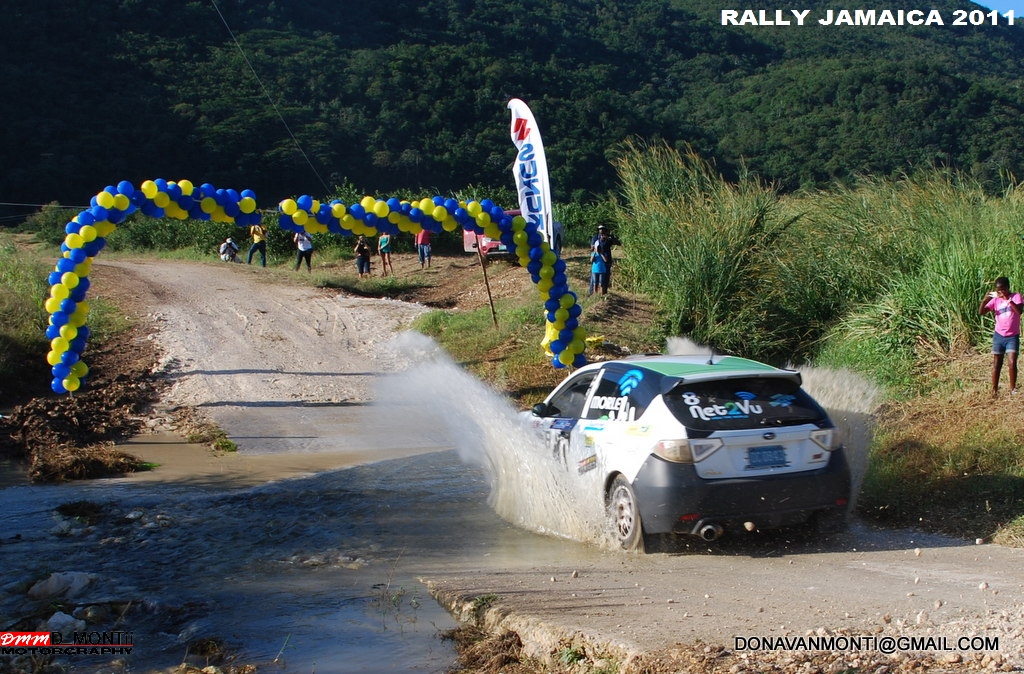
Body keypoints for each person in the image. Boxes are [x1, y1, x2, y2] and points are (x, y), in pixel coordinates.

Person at [979, 276, 1023, 396]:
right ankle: (994, 390)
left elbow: (1019, 311)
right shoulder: (996, 300)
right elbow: (981, 312)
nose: (1001, 292)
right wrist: (985, 301)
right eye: (998, 290)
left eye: (1003, 289)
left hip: (1012, 336)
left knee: (1012, 362)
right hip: (999, 336)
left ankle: (1012, 388)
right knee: (997, 364)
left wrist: (1008, 299)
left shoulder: (1016, 296)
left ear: (1008, 288)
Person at [591, 225, 620, 291]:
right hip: (597, 260)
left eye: (603, 229)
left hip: (607, 260)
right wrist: (595, 250)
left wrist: (611, 238)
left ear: (606, 230)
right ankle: (592, 292)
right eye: (600, 229)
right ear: (598, 230)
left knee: (605, 278)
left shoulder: (608, 238)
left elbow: (618, 243)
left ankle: (604, 292)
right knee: (594, 280)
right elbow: (592, 248)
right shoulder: (595, 237)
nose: (601, 230)